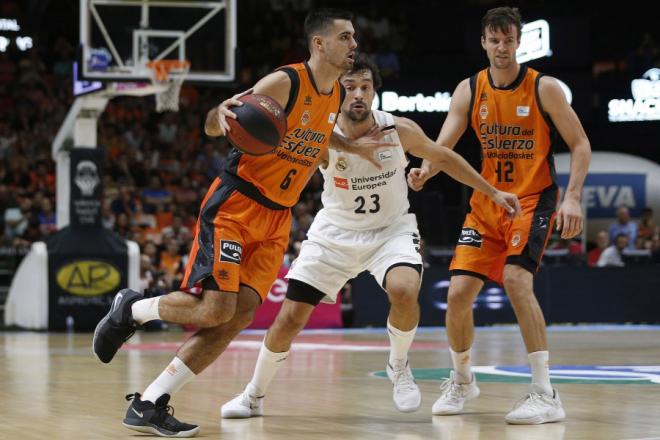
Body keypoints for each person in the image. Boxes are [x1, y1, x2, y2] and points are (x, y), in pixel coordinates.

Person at [92, 9, 391, 438]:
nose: (354, 44)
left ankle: (150, 402)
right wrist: (218, 111)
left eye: (354, 37)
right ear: (319, 44)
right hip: (236, 205)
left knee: (239, 315)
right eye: (345, 37)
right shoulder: (285, 82)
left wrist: (353, 148)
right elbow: (218, 123)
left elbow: (319, 137)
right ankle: (133, 309)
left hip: (277, 218)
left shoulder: (334, 98)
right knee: (216, 308)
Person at [220, 56, 520, 418]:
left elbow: (445, 157)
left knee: (405, 290)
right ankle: (253, 395)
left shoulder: (398, 129)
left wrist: (493, 192)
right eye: (349, 88)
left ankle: (398, 365)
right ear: (337, 93)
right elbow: (276, 136)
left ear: (375, 91)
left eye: (366, 87)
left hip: (390, 232)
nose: (358, 94)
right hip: (335, 234)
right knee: (289, 319)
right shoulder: (321, 134)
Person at [408, 6, 591, 425]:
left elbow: (580, 144)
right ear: (484, 42)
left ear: (519, 42)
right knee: (456, 296)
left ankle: (545, 393)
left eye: (509, 40)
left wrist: (573, 197)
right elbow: (443, 145)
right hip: (488, 204)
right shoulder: (469, 89)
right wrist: (426, 169)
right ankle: (461, 380)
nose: (502, 48)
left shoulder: (543, 89)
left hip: (532, 200)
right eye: (495, 40)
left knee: (515, 280)